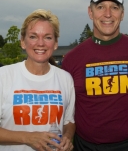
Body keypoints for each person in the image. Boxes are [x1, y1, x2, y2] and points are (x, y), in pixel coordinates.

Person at [62, 0, 128, 151]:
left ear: (122, 13)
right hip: (86, 146)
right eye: (100, 7)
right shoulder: (72, 59)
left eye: (114, 7)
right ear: (90, 12)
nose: (107, 14)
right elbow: (68, 107)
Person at [0, 9, 75, 151]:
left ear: (55, 43)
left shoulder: (65, 79)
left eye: (47, 37)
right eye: (33, 36)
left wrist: (67, 137)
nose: (40, 43)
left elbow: (69, 121)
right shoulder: (3, 76)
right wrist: (27, 138)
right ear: (23, 42)